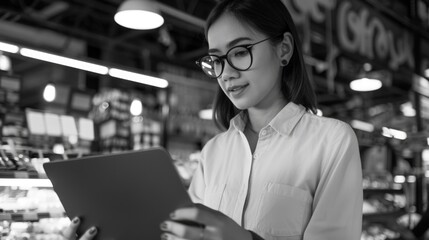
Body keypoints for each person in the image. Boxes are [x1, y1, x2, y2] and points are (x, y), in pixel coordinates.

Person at [63, 0, 363, 239]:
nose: (227, 73)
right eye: (217, 59)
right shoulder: (214, 152)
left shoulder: (332, 141)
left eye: (241, 51)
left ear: (283, 49)